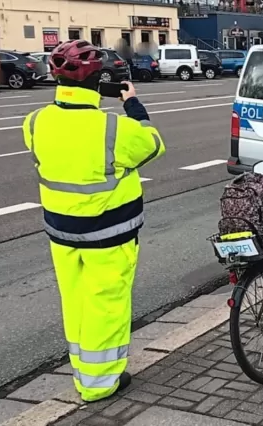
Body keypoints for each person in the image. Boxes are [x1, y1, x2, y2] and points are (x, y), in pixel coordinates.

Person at [21, 39, 166, 402]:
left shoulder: (36, 122)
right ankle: (99, 383)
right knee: (107, 304)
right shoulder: (114, 129)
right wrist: (131, 101)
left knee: (75, 301)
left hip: (61, 232)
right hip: (109, 234)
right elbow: (152, 143)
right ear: (99, 82)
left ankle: (81, 370)